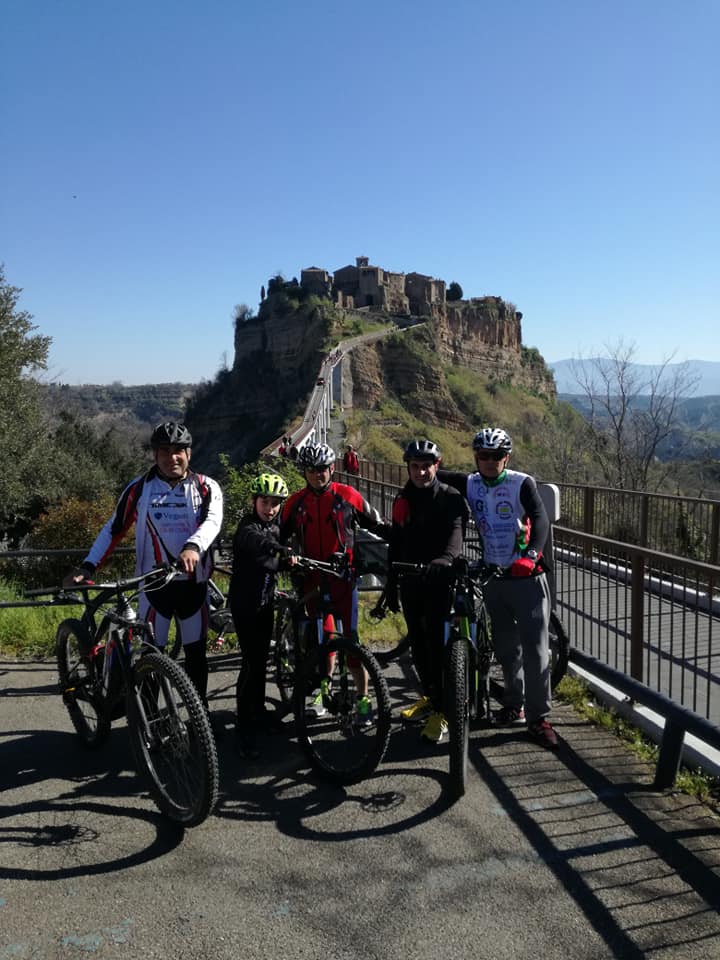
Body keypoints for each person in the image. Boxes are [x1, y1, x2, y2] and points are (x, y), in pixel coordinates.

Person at [64, 421, 223, 716]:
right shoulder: (139, 490)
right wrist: (88, 566)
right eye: (165, 451)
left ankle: (201, 719)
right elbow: (113, 530)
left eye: (178, 451)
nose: (172, 457)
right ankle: (149, 721)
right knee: (151, 660)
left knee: (196, 657)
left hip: (194, 586)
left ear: (189, 453)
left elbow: (212, 522)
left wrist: (193, 546)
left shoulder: (206, 487)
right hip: (153, 589)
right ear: (155, 454)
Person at [438, 427, 558, 748]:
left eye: (496, 456)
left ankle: (539, 718)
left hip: (527, 579)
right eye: (483, 456)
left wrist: (531, 555)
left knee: (535, 652)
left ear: (507, 457)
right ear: (476, 457)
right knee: (506, 649)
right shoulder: (472, 483)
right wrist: (422, 465)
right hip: (494, 578)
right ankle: (514, 706)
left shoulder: (522, 483)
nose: (490, 462)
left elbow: (540, 519)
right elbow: (434, 474)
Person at [279, 442, 389, 722]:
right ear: (304, 472)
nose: (317, 475)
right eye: (311, 470)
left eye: (322, 469)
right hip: (312, 580)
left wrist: (399, 546)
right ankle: (322, 692)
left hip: (343, 579)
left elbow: (378, 524)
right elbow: (278, 537)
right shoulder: (296, 502)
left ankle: (363, 697)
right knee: (324, 639)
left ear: (332, 468)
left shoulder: (347, 495)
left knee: (351, 641)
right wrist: (285, 556)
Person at [386, 439, 466, 744]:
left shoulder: (450, 497)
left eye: (426, 466)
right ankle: (431, 699)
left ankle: (445, 709)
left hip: (441, 581)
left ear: (438, 464)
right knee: (418, 646)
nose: (420, 472)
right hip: (411, 581)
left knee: (437, 646)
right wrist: (390, 586)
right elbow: (396, 544)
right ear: (408, 467)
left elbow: (456, 537)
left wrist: (444, 561)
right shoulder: (402, 498)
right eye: (415, 467)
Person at [229, 472, 294, 759]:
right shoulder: (247, 527)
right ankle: (244, 725)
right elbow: (257, 544)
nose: (270, 508)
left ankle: (259, 711)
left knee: (261, 662)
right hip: (244, 605)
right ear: (254, 501)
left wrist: (291, 561)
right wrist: (278, 549)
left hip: (265, 602)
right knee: (251, 663)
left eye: (275, 503)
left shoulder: (277, 525)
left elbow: (275, 564)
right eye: (264, 502)